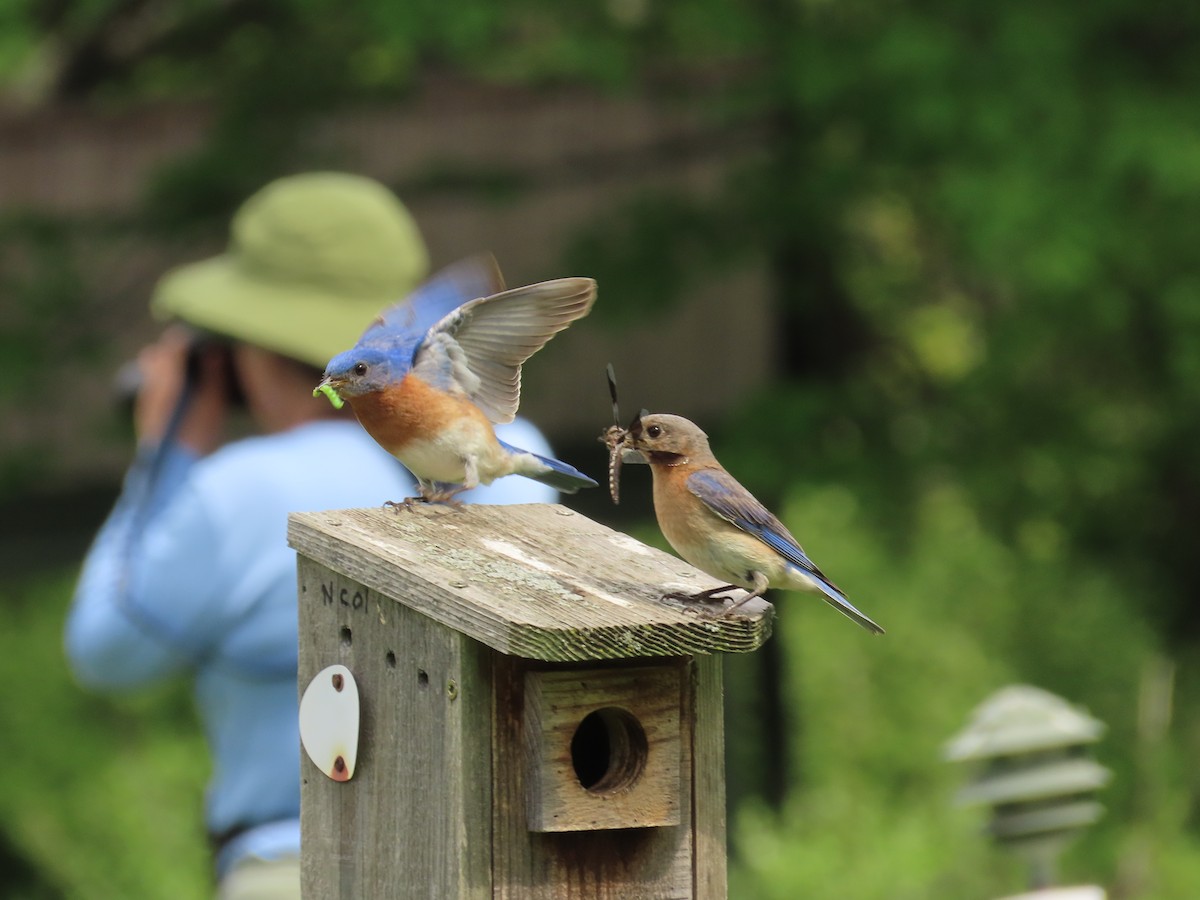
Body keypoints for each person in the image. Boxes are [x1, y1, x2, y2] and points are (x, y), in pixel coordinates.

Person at [64, 173, 558, 899]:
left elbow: (106, 652)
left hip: (301, 866)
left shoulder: (239, 490)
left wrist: (163, 453)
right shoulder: (511, 453)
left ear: (245, 349)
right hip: (491, 859)